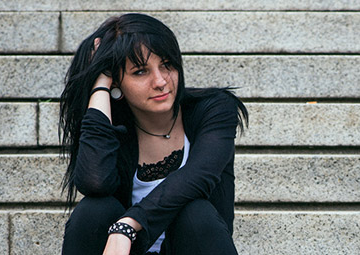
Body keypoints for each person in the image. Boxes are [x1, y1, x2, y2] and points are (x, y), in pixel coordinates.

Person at [58, 13, 247, 255]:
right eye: (140, 71)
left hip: (193, 246)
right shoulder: (115, 128)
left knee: (195, 213)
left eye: (167, 64)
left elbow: (198, 177)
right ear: (117, 82)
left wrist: (128, 224)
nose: (160, 81)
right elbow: (94, 181)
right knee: (94, 209)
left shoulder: (213, 109)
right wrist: (101, 83)